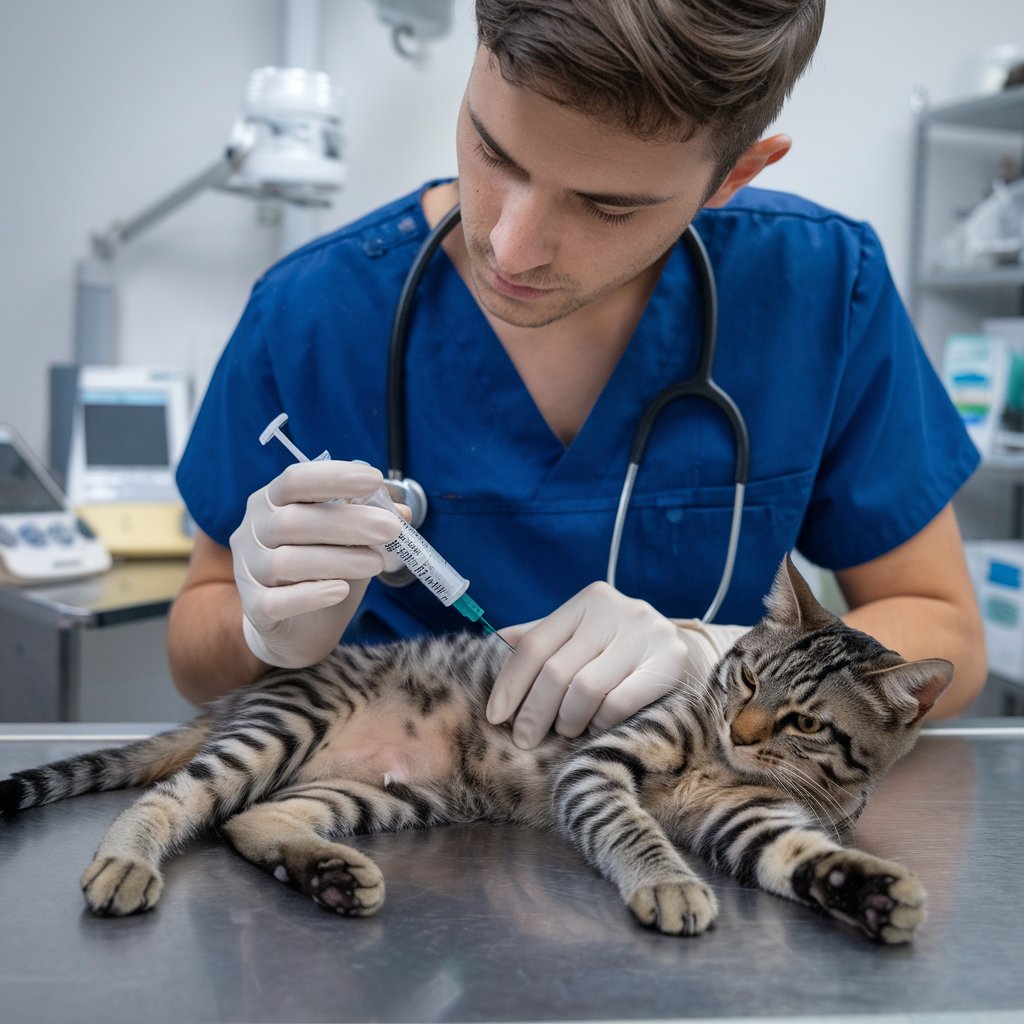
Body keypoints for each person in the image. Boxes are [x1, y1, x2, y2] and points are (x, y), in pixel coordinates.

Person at [168, 0, 986, 747]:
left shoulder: (818, 288)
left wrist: (713, 651)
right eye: (494, 152)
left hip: (694, 839)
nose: (512, 248)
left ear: (733, 177)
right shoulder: (309, 312)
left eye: (607, 206)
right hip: (384, 822)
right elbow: (192, 653)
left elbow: (947, 630)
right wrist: (259, 628)